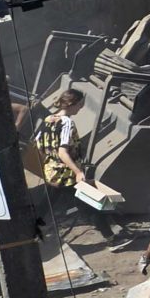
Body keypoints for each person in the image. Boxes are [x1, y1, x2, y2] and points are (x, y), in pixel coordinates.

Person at [36, 89, 102, 236]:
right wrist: (78, 172)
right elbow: (62, 152)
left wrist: (49, 164)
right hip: (66, 174)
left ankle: (31, 228)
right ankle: (111, 237)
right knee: (90, 202)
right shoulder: (66, 123)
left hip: (52, 171)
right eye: (80, 104)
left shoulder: (47, 120)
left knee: (47, 204)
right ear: (73, 103)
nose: (81, 108)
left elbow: (39, 146)